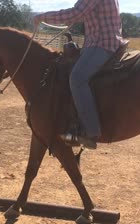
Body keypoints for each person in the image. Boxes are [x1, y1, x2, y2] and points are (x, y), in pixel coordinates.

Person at [34, 0, 123, 149]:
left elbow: (75, 13)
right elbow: (83, 14)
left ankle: (91, 131)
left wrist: (43, 17)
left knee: (77, 79)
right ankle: (72, 121)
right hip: (97, 42)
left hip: (102, 44)